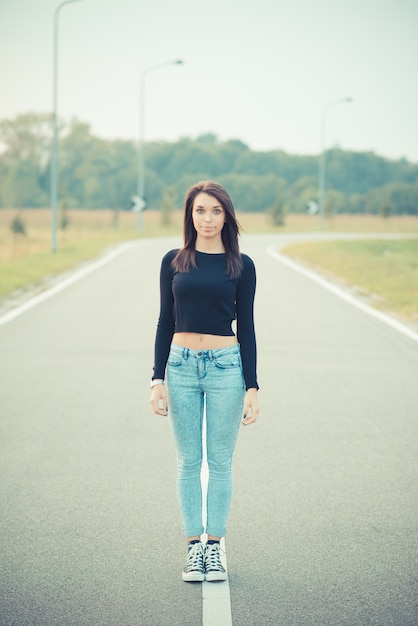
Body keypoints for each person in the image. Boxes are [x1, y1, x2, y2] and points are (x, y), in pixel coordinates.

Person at [150, 180, 259, 582]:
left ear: (226, 215)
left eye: (215, 210)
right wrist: (156, 378)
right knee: (188, 461)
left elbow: (246, 326)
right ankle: (193, 548)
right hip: (179, 367)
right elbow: (165, 320)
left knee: (220, 462)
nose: (208, 218)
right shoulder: (173, 260)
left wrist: (252, 385)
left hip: (226, 368)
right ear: (190, 215)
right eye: (200, 210)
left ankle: (215, 548)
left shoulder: (241, 265)